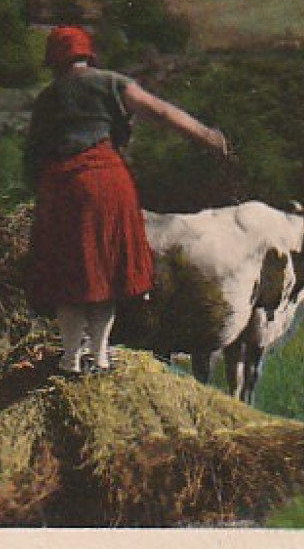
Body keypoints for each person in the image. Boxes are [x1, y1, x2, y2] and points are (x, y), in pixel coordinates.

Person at [25, 25, 229, 376]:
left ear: (54, 61)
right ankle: (101, 356)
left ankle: (72, 358)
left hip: (64, 188)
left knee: (70, 275)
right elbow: (161, 112)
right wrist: (207, 136)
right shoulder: (112, 82)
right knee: (106, 269)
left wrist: (39, 191)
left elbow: (34, 153)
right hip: (108, 183)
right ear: (88, 54)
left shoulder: (48, 97)